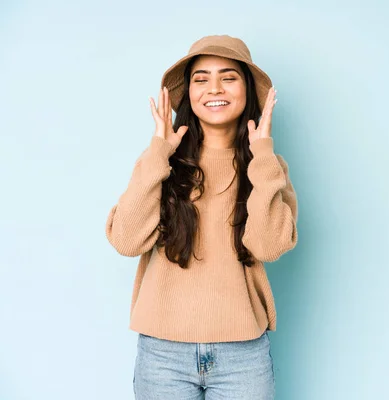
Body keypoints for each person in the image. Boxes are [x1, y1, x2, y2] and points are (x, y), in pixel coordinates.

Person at [104, 34, 298, 399]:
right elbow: (126, 241)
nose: (214, 88)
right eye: (201, 78)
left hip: (243, 354)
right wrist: (159, 149)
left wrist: (263, 154)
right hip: (163, 354)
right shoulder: (159, 163)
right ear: (189, 95)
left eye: (228, 76)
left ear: (247, 91)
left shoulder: (268, 168)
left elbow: (269, 246)